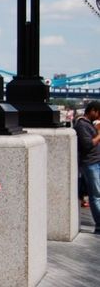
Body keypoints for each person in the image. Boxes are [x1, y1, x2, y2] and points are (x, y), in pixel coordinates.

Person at [73, 100, 100, 234]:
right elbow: (87, 144)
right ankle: (99, 225)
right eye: (98, 113)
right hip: (90, 164)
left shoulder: (88, 124)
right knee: (95, 195)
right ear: (93, 111)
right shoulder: (82, 125)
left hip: (95, 163)